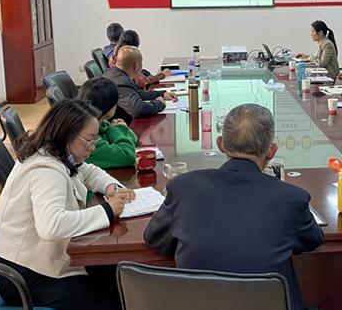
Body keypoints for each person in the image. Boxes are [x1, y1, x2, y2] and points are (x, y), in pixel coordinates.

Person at [144, 103, 324, 310]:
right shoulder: (292, 198)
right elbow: (313, 240)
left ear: (221, 144)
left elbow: (154, 237)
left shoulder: (183, 187)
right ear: (271, 151)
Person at [0, 99, 136, 310]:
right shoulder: (46, 170)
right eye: (89, 140)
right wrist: (107, 210)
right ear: (67, 134)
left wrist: (111, 186)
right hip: (24, 277)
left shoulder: (54, 152)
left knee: (118, 279)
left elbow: (87, 171)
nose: (93, 147)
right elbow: (52, 226)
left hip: (39, 263)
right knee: (114, 299)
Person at [103, 46, 176, 124]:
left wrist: (162, 94)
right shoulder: (121, 82)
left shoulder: (114, 74)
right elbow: (138, 109)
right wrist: (159, 104)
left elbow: (136, 93)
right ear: (136, 66)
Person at [77, 77, 138, 169]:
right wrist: (118, 130)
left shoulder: (102, 124)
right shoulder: (88, 140)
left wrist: (121, 130)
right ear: (110, 104)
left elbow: (133, 138)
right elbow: (129, 156)